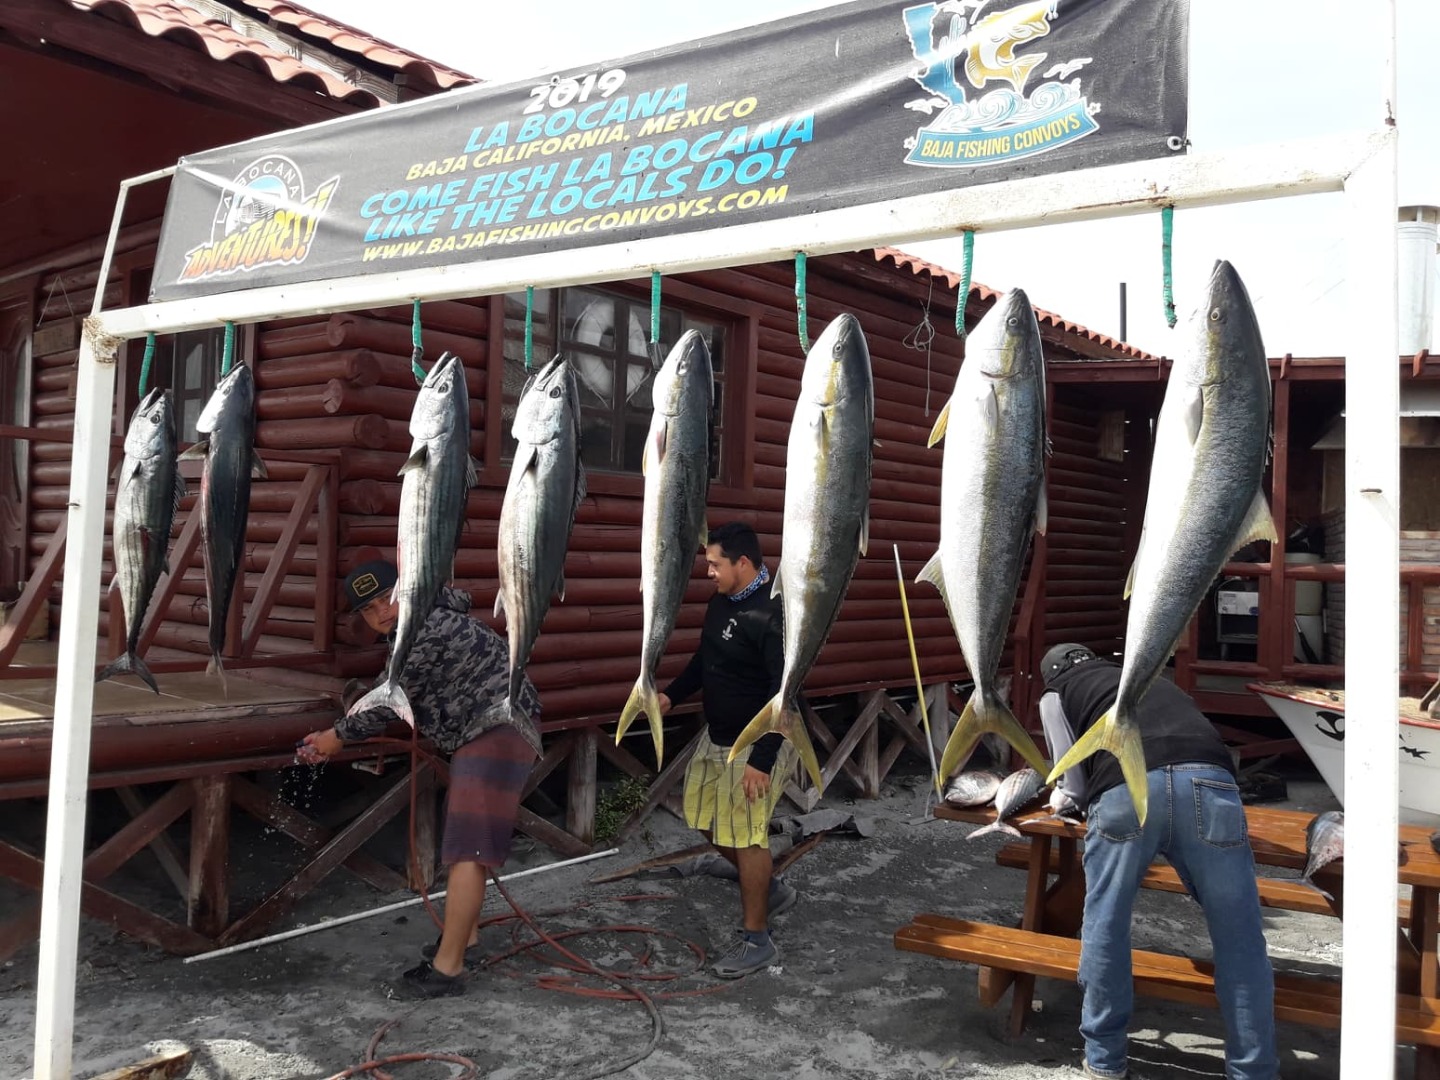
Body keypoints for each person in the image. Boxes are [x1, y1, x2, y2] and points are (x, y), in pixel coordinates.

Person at [298, 559, 541, 998]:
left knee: (468, 847)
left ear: (405, 590)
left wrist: (335, 736)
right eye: (370, 609)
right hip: (486, 729)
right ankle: (463, 936)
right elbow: (385, 690)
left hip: (497, 728)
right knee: (465, 843)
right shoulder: (428, 620)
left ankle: (447, 971)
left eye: (387, 599)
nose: (383, 612)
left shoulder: (423, 629)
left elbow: (387, 702)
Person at [1036, 643, 1277, 1080]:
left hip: (1124, 786)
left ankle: (1106, 1061)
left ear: (1050, 676)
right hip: (1209, 782)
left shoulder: (1056, 693)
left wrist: (1065, 799)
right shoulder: (1150, 679)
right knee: (1239, 936)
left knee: (1106, 925)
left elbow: (1071, 780)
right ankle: (1254, 1069)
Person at [656, 521, 799, 979]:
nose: (708, 572)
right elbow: (705, 658)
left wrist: (762, 761)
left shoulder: (774, 614)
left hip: (760, 742)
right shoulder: (722, 601)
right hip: (717, 736)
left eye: (715, 564)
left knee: (748, 835)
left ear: (743, 562)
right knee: (700, 817)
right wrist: (671, 696)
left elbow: (785, 693)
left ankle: (758, 939)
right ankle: (766, 887)